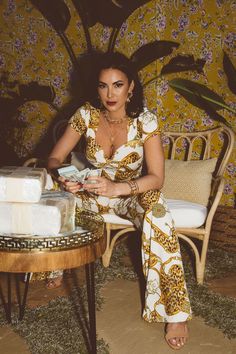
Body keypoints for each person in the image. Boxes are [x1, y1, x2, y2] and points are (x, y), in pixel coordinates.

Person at [47, 52, 191, 350]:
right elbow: (55, 158)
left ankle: (175, 311)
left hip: (128, 194)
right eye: (103, 86)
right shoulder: (85, 114)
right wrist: (64, 177)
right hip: (89, 193)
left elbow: (156, 178)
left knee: (158, 208)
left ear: (131, 87)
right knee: (52, 187)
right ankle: (54, 262)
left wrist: (118, 189)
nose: (110, 94)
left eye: (117, 85)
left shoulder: (146, 121)